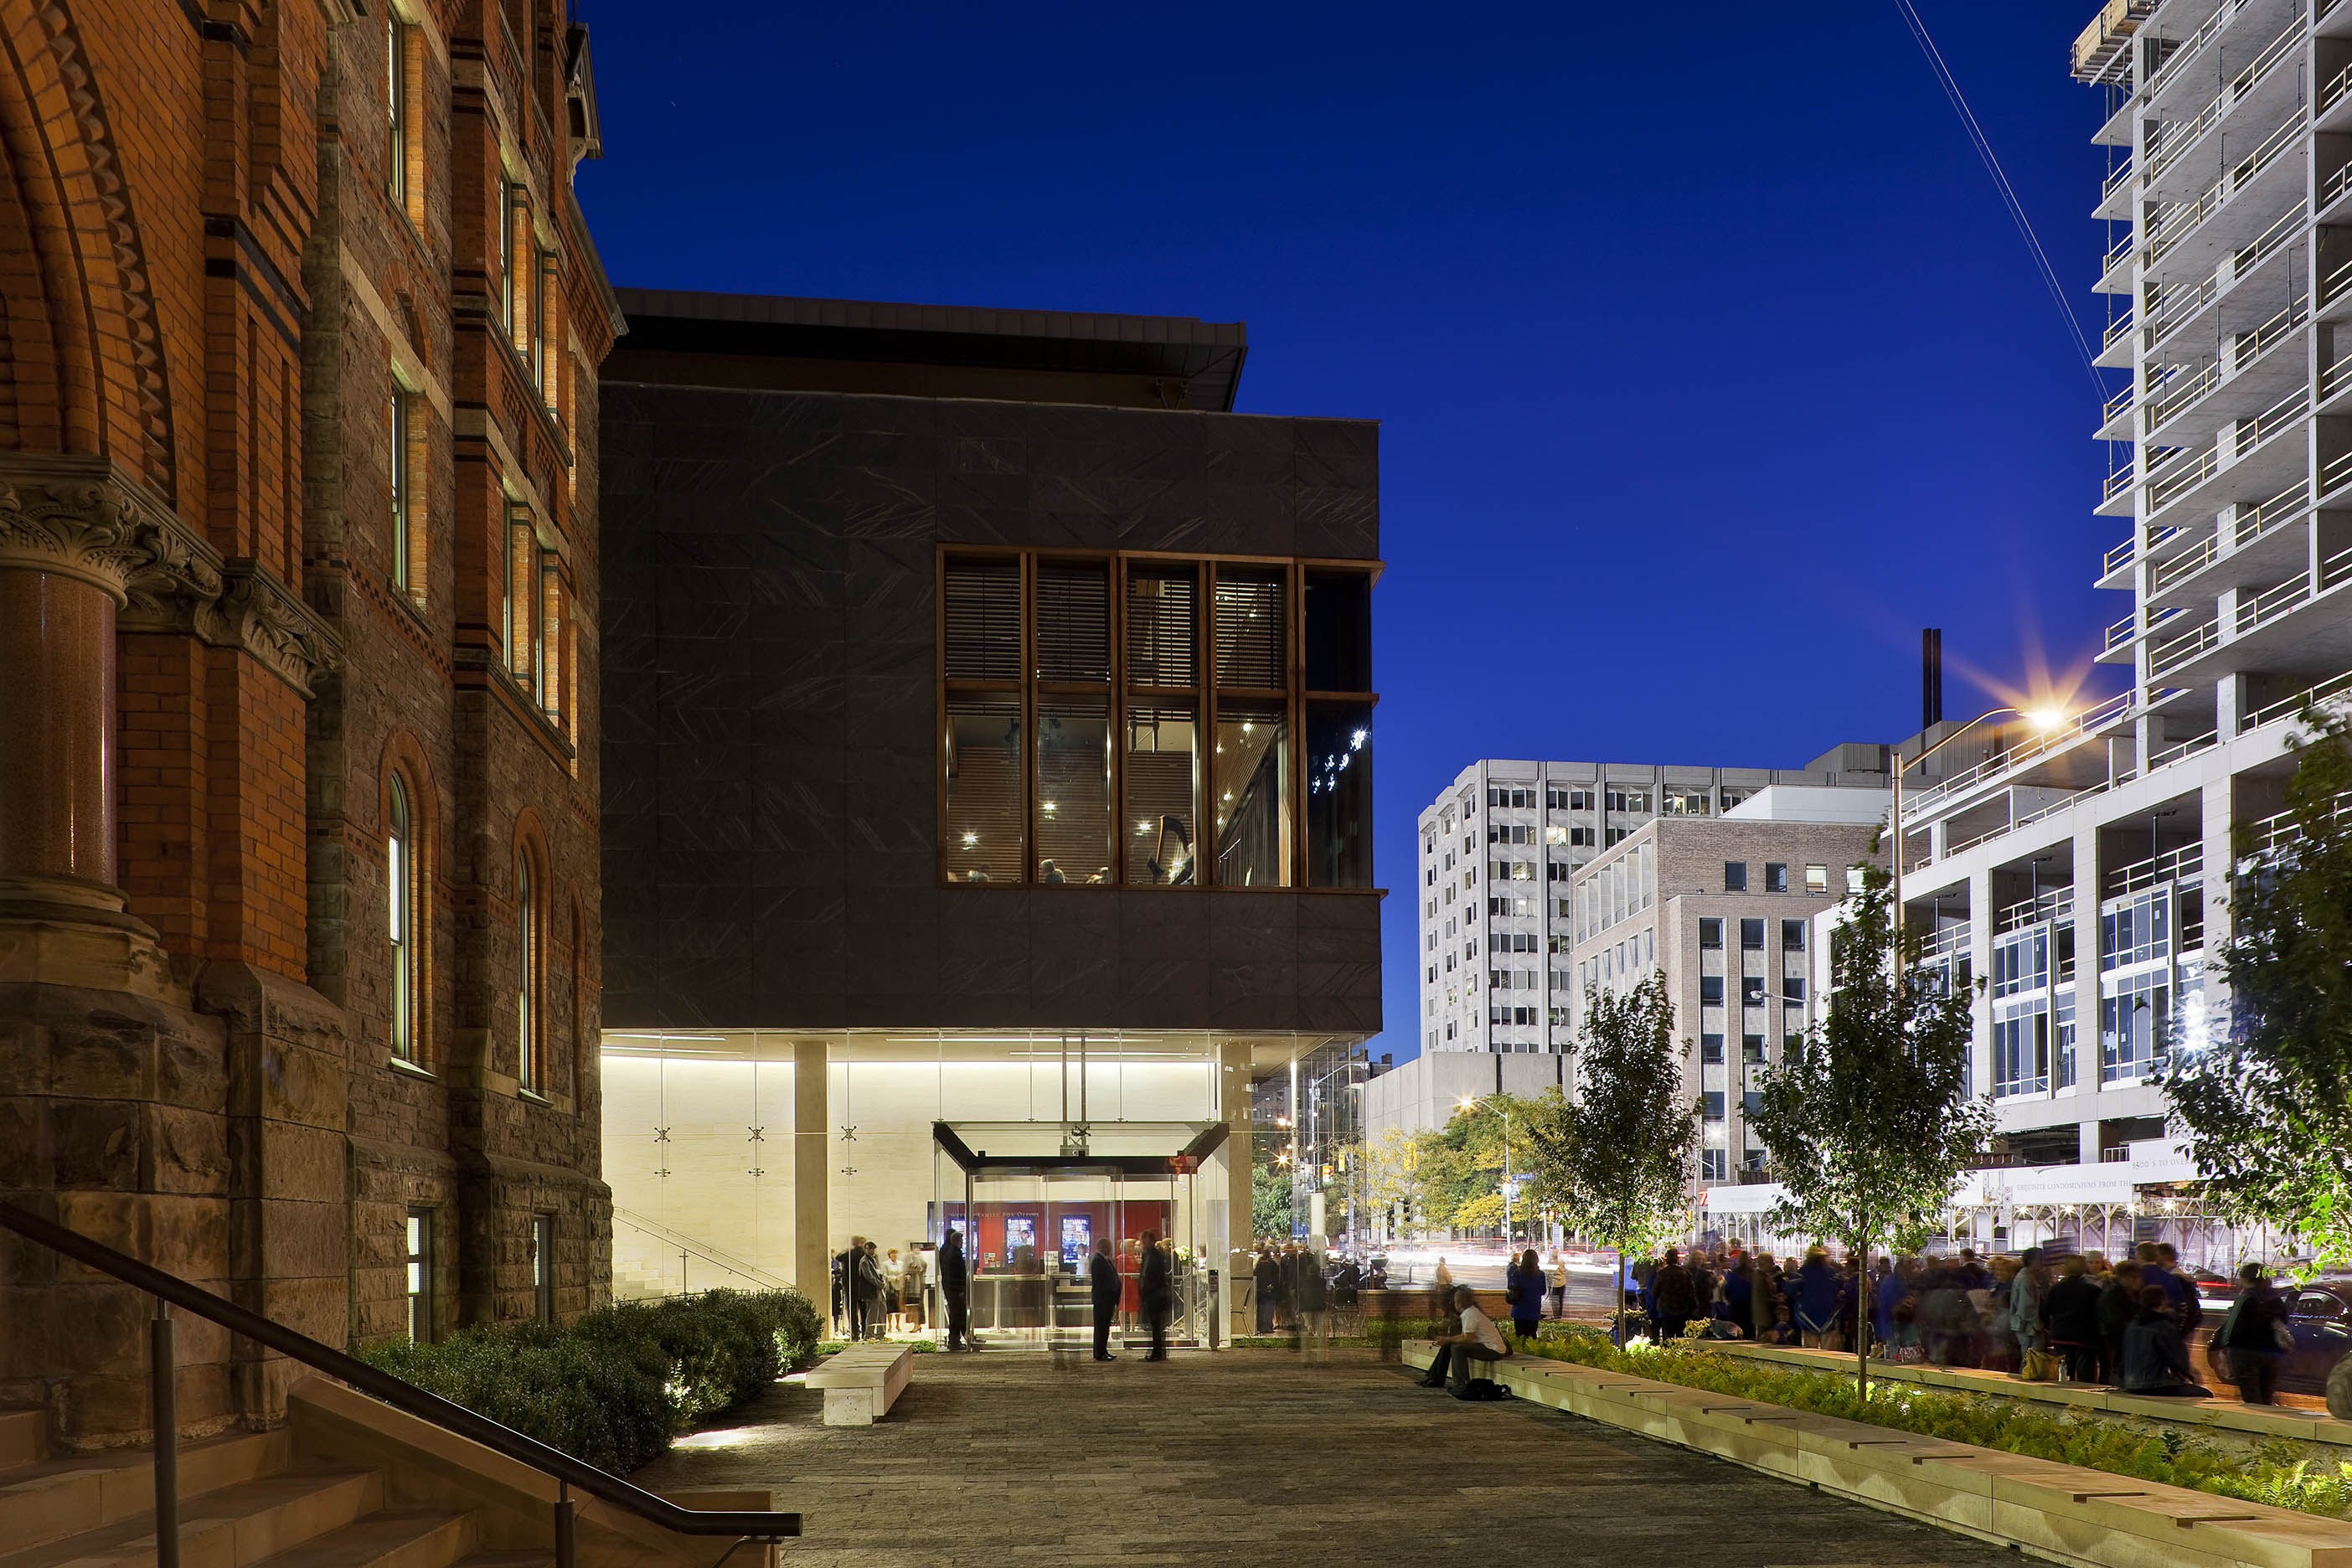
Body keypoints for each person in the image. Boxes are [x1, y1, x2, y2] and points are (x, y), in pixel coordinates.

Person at [2118, 1285, 2210, 1397]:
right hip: (2154, 1385)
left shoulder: (2133, 1324)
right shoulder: (2162, 1326)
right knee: (2205, 1394)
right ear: (2163, 1301)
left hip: (2130, 1383)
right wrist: (2188, 1376)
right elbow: (2176, 1356)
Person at [2220, 1263, 2289, 1406]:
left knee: (2251, 1396)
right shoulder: (2275, 1299)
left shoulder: (2245, 1299)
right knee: (2267, 1396)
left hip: (2246, 1353)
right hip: (2272, 1353)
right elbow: (2284, 1321)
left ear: (2246, 1279)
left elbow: (2232, 1327)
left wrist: (2224, 1347)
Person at [1419, 1284, 1510, 1391]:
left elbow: (1467, 1339)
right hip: (1487, 1347)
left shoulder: (1470, 1314)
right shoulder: (1470, 1312)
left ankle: (1461, 1384)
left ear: (1458, 1303)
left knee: (1457, 1348)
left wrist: (1447, 1339)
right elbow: (1464, 1336)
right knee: (1449, 1346)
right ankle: (1435, 1378)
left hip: (1493, 1350)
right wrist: (1446, 1340)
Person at [2040, 1256, 2105, 1383]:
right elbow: (2101, 1313)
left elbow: (2044, 1311)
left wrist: (2050, 1327)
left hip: (2061, 1336)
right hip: (2085, 1337)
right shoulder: (2092, 1290)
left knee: (2064, 1372)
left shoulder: (2056, 1289)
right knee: (2085, 1373)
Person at [2097, 1259, 2143, 1385]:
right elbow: (2113, 1320)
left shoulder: (2135, 1295)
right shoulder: (2112, 1295)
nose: (2139, 1281)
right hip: (2115, 1341)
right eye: (2135, 1277)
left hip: (2130, 1342)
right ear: (2125, 1278)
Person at [1792, 1246, 1844, 1351]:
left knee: (1810, 1351)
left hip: (1808, 1315)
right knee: (1829, 1351)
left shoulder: (1802, 1272)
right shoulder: (1831, 1272)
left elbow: (1791, 1290)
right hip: (1828, 1315)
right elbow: (1840, 1288)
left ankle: (1811, 1367)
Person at [1650, 1247, 1699, 1341]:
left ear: (1667, 1259)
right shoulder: (1685, 1273)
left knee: (1668, 1338)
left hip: (1666, 1310)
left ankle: (1667, 1354)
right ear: (1677, 1259)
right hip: (1682, 1310)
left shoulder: (1661, 1274)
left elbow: (1654, 1292)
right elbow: (1692, 1291)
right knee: (1681, 1338)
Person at [939, 1226, 975, 1352]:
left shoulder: (947, 1251)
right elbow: (956, 1274)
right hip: (955, 1290)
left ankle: (956, 1339)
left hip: (950, 1288)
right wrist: (960, 1289)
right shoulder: (955, 1254)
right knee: (957, 1315)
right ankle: (955, 1340)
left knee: (955, 1314)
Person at [1140, 1230, 1173, 1360]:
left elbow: (1155, 1277)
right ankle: (1157, 1352)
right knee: (1154, 1326)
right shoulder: (1147, 1255)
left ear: (1151, 1241)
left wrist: (1149, 1290)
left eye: (1145, 1241)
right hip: (1151, 1295)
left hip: (1155, 1296)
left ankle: (1157, 1353)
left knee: (1157, 1325)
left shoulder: (1155, 1256)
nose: (1143, 1243)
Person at [1089, 1237, 1122, 1362]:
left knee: (1105, 1327)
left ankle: (1103, 1350)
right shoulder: (1098, 1260)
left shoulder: (1104, 1260)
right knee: (1101, 1327)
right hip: (1102, 1299)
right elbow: (1103, 1282)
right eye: (1109, 1246)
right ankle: (1099, 1352)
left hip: (1107, 1299)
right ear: (1103, 1247)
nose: (1111, 1248)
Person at [1505, 1248, 1544, 1344]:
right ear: (1536, 1260)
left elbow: (1510, 1286)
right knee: (1531, 1338)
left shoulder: (1517, 1273)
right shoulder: (1540, 1275)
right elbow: (1543, 1291)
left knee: (1519, 1337)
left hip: (1519, 1309)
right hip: (1533, 1310)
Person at [1254, 1243, 1281, 1334]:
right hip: (1270, 1291)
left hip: (1261, 1290)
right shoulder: (1272, 1264)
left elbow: (1255, 1275)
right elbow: (1277, 1277)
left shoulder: (1259, 1264)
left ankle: (1261, 1326)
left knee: (1261, 1309)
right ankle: (1267, 1326)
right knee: (1269, 1309)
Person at [1547, 1253, 1569, 1320]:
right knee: (1560, 1300)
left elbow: (1548, 1272)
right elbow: (1564, 1271)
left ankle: (1555, 1314)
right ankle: (1559, 1314)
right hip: (1562, 1282)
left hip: (1553, 1283)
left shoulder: (1550, 1262)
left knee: (1554, 1300)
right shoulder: (1561, 1262)